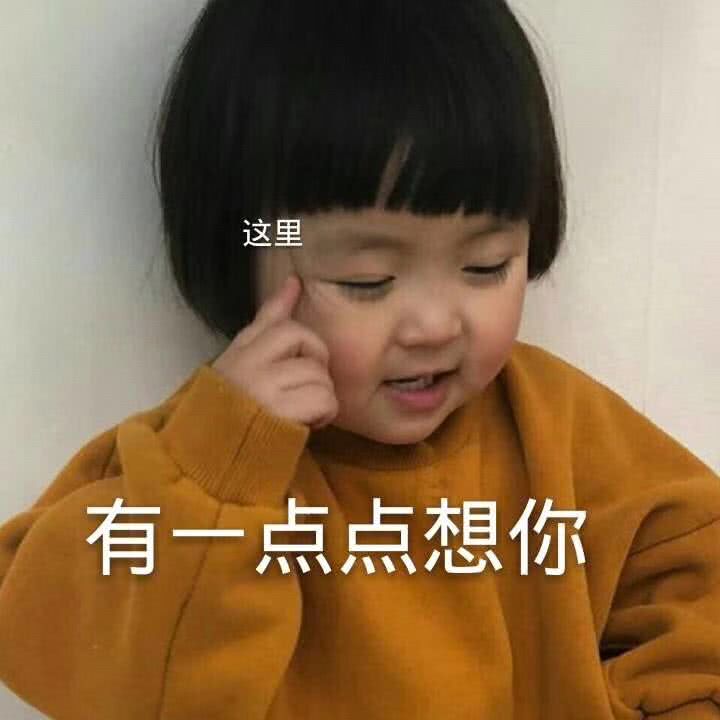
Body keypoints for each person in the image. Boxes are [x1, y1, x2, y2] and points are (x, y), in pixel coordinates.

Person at [1, 0, 719, 718]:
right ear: (245, 247)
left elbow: (696, 563)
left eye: (485, 265)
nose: (435, 325)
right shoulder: (194, 463)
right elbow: (83, 657)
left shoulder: (556, 423)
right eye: (366, 280)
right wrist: (218, 478)